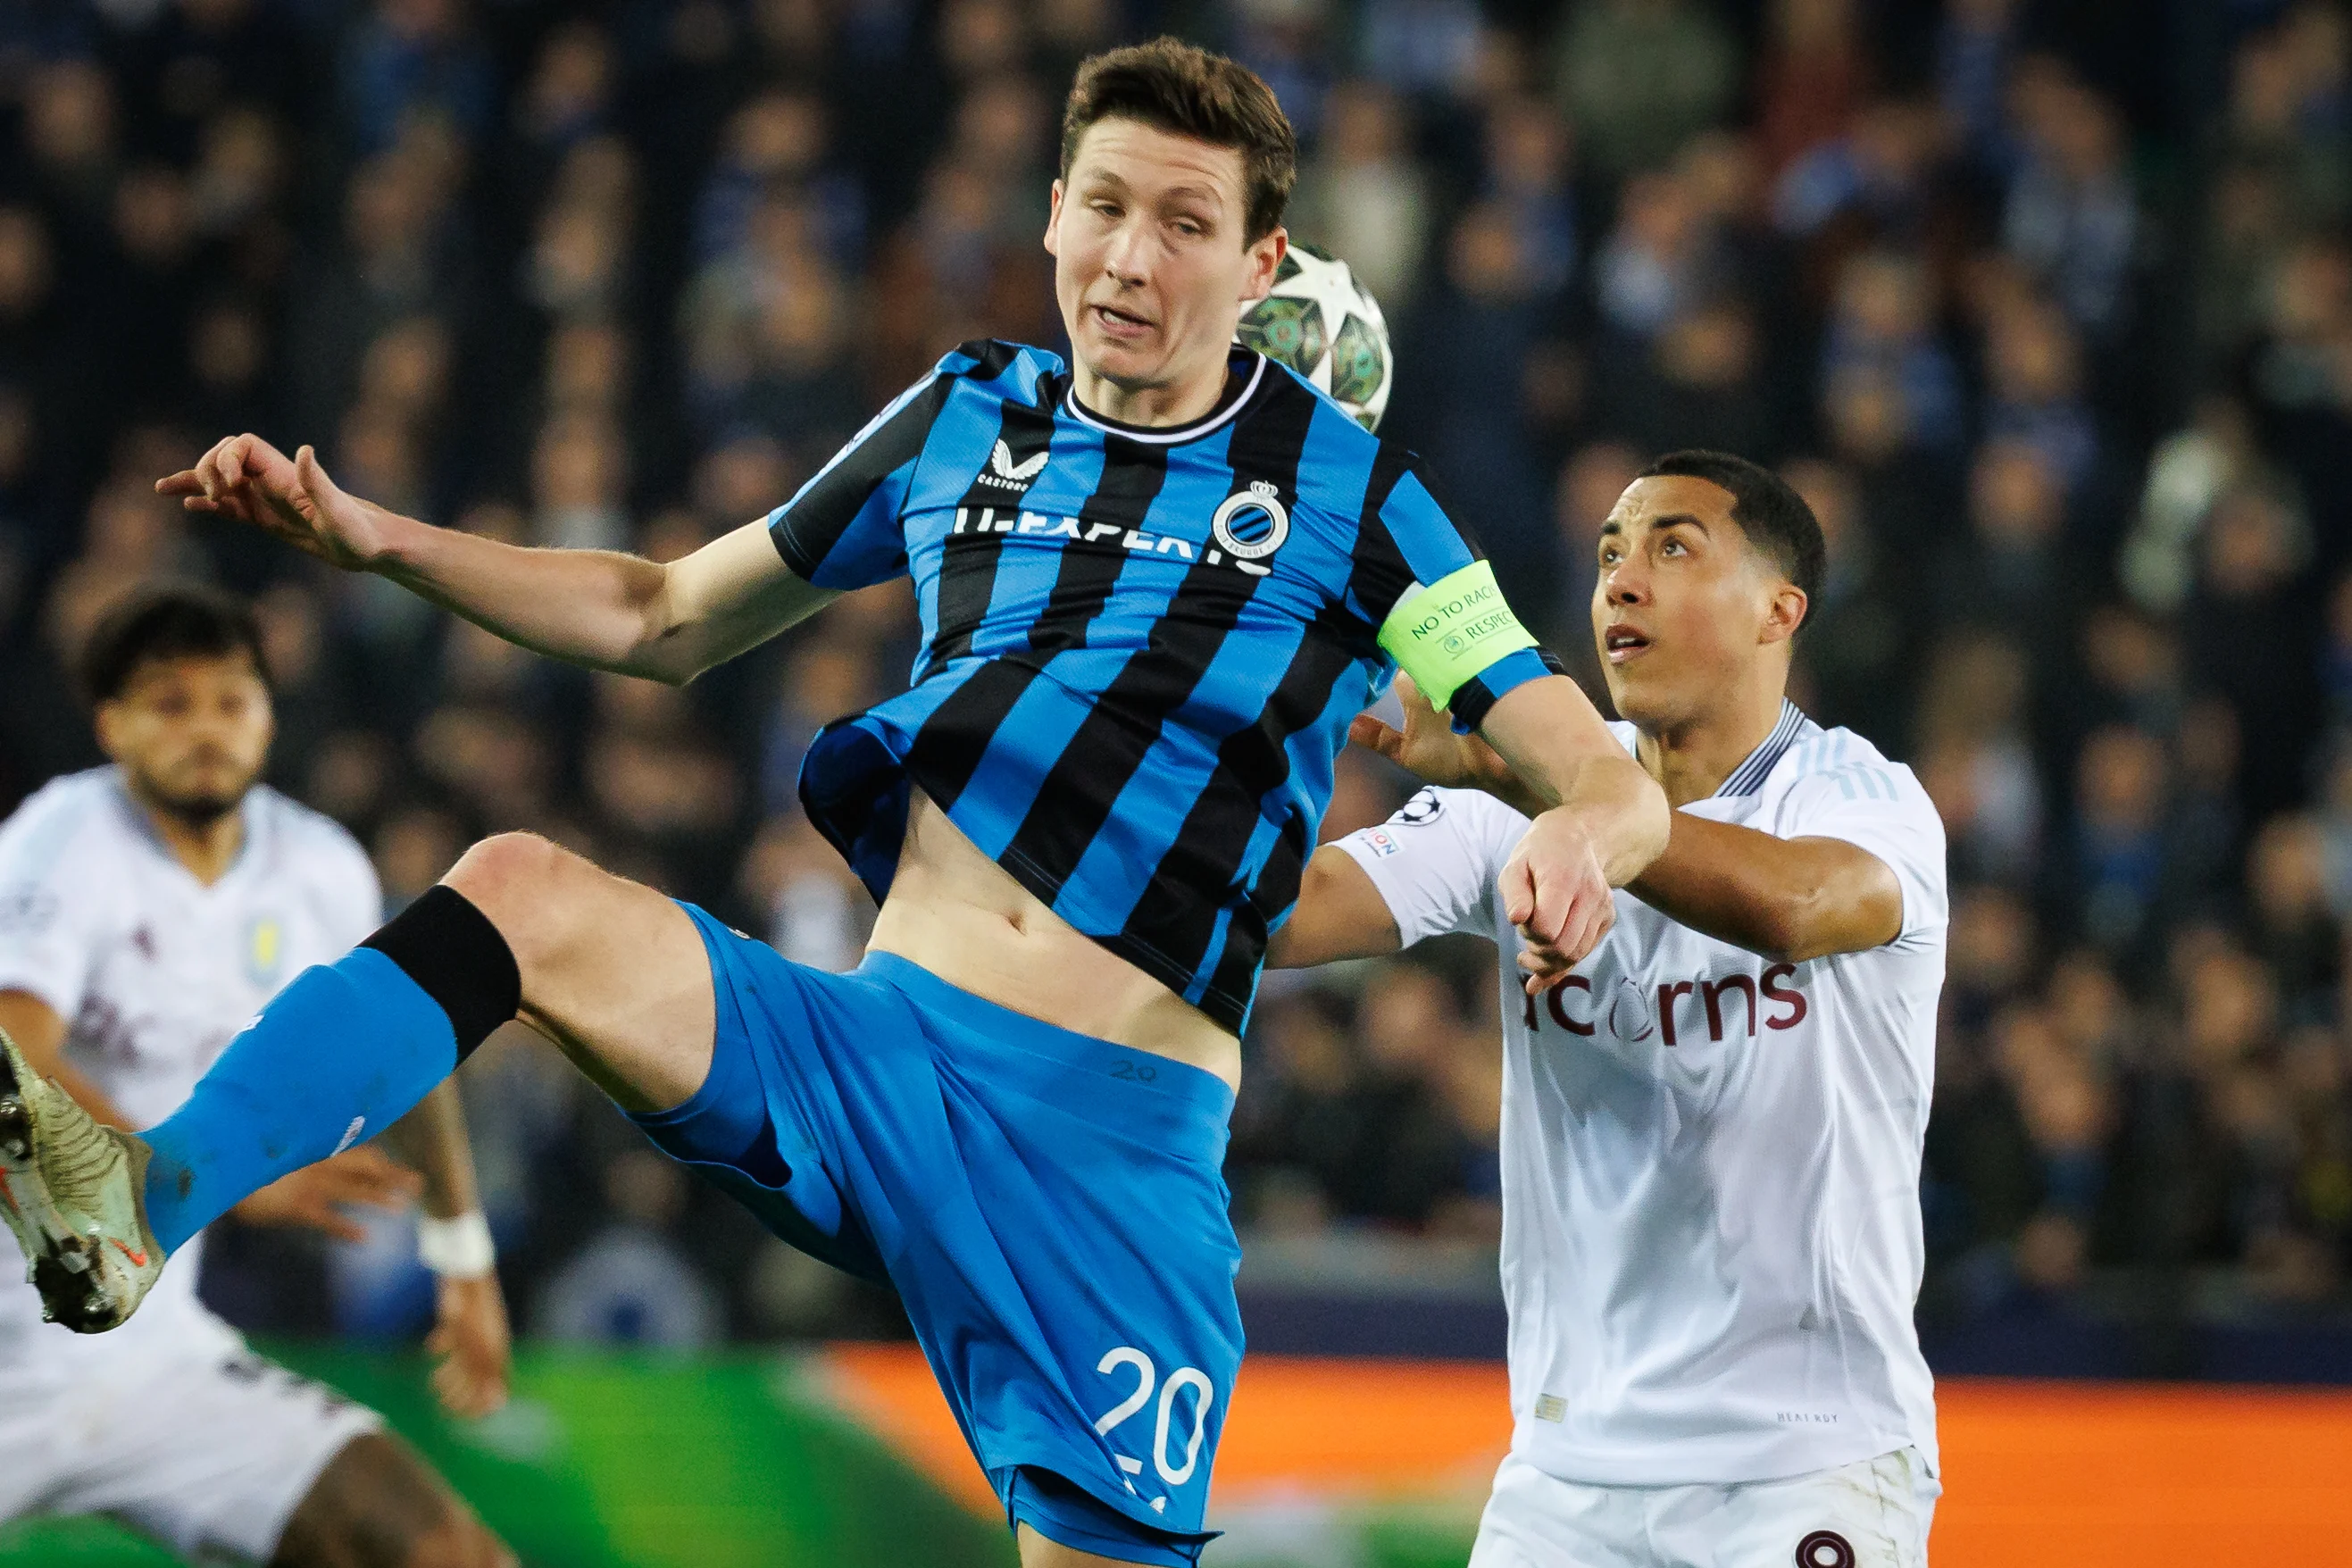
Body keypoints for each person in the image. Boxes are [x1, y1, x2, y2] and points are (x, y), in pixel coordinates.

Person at [3, 39, 1668, 1568]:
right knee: (515, 885)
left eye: (1182, 223)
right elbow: (656, 614)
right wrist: (380, 537)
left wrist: (1586, 841)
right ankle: (143, 1198)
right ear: (1049, 217)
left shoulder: (1356, 495)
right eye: (1102, 207)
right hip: (874, 1054)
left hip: (1104, 1155)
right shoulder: (964, 413)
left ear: (1254, 267)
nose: (1130, 257)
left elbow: (1576, 753)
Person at [1273, 451, 1946, 1568]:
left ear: (1782, 610)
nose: (1621, 581)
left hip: (1802, 1464)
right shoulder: (1518, 800)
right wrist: (1233, 721)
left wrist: (1585, 804)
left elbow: (1802, 903)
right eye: (1608, 555)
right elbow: (1283, 919)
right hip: (1565, 1476)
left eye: (1673, 547)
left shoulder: (1860, 798)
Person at [0, 586, 513, 1567]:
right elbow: (12, 1053)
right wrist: (222, 1175)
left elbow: (404, 1047)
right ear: (111, 724)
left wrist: (461, 1253)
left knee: (442, 1552)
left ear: (270, 717)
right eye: (169, 702)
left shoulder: (317, 865)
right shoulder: (60, 842)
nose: (206, 730)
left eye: (231, 702)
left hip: (148, 1361)